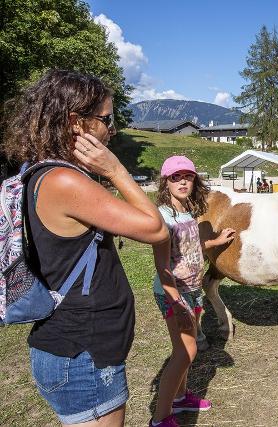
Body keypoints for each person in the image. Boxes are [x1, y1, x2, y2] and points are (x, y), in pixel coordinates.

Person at [1, 69, 168, 426]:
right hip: (81, 353)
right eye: (106, 119)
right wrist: (117, 170)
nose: (113, 129)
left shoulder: (44, 173)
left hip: (79, 349)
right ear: (77, 123)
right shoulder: (63, 181)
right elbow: (155, 228)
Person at [151, 155, 235, 427]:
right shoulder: (161, 217)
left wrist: (215, 241)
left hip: (193, 289)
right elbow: (163, 267)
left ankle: (180, 397)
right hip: (174, 293)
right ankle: (160, 417)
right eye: (176, 177)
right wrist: (176, 303)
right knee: (185, 351)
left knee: (184, 350)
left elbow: (191, 247)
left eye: (187, 176)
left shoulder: (187, 209)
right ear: (166, 182)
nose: (183, 181)